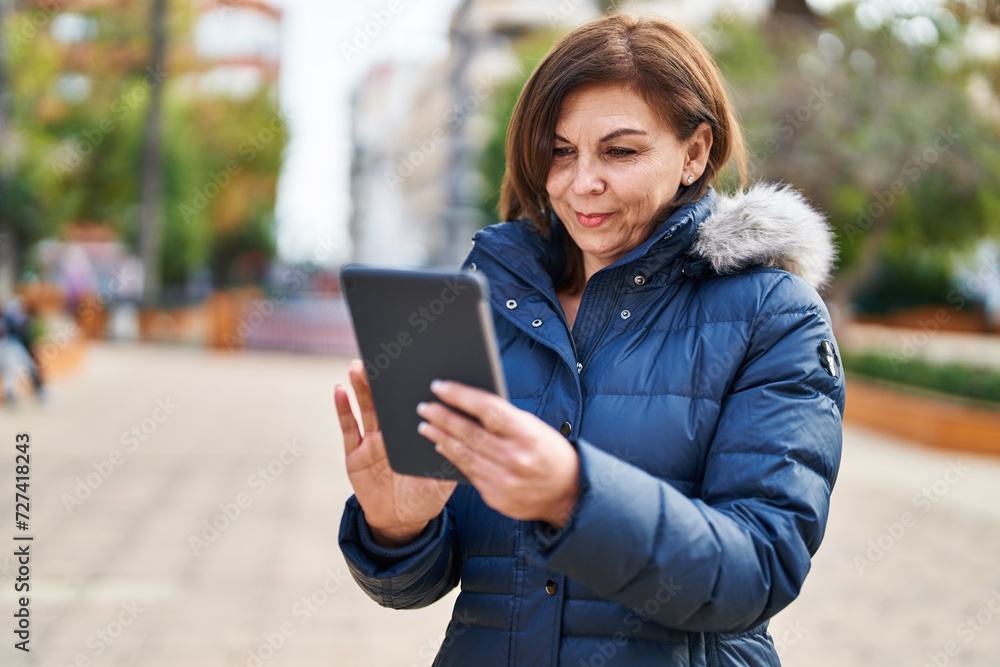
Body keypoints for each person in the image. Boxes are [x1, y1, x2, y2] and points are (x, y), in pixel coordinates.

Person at [335, 13, 844, 667]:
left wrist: (575, 493)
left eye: (621, 151)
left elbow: (759, 568)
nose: (582, 183)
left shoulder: (774, 315)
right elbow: (426, 580)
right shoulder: (485, 301)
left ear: (694, 153)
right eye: (560, 150)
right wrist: (398, 525)